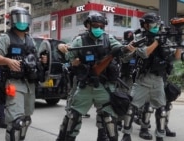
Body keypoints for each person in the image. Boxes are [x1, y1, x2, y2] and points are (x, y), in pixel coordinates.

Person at [55, 12, 135, 141]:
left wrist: (127, 48)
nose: (98, 28)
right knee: (73, 117)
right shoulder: (80, 40)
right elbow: (68, 55)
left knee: (109, 120)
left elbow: (119, 48)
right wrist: (65, 51)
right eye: (95, 25)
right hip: (85, 86)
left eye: (101, 26)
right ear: (88, 25)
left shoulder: (109, 38)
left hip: (104, 86)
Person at [120, 12, 181, 141]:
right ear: (146, 25)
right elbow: (143, 53)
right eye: (153, 24)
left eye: (157, 24)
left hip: (158, 80)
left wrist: (179, 43)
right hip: (142, 80)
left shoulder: (164, 39)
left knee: (162, 110)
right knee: (131, 108)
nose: (156, 27)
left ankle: (160, 136)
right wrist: (157, 42)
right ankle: (126, 134)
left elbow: (176, 58)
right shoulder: (139, 37)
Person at [0, 7, 43, 141]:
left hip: (29, 84)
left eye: (25, 20)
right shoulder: (6, 37)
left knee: (26, 120)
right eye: (19, 19)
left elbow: (35, 59)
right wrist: (7, 60)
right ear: (12, 21)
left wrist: (41, 60)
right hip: (13, 83)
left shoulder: (30, 40)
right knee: (16, 121)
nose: (22, 22)